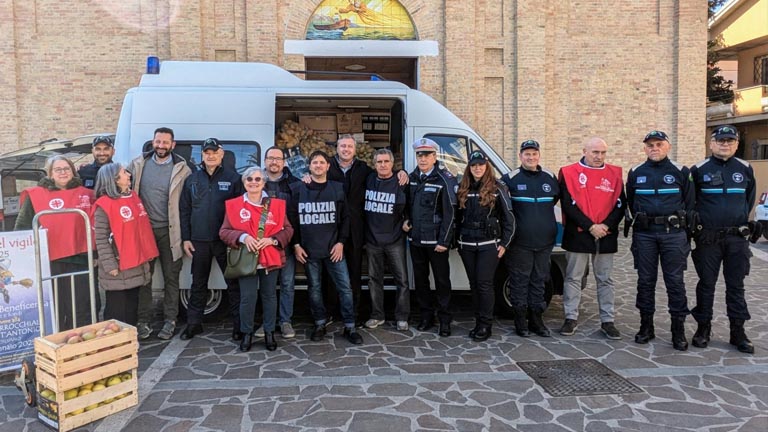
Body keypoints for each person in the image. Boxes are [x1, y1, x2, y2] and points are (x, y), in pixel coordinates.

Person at [322, 134, 409, 326]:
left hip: (357, 231)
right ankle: (330, 312)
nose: (346, 149)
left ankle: (353, 313)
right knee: (329, 273)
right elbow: (314, 176)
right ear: (337, 148)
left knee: (355, 272)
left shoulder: (364, 170)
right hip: (331, 229)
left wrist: (402, 172)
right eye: (342, 146)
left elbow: (395, 184)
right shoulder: (327, 166)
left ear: (355, 149)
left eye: (349, 147)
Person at [690, 125, 760, 354]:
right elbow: (691, 203)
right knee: (706, 285)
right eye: (721, 140)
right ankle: (703, 329)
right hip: (708, 238)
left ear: (737, 144)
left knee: (736, 286)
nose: (725, 144)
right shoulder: (698, 169)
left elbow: (748, 201)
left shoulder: (745, 168)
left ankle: (737, 332)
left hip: (736, 239)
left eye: (730, 140)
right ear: (711, 143)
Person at [625, 130, 694, 351]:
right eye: (650, 145)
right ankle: (646, 327)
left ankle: (678, 331)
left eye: (659, 144)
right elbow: (631, 200)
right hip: (645, 234)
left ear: (668, 146)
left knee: (675, 282)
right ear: (645, 148)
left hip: (673, 234)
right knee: (645, 281)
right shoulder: (636, 172)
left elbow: (690, 203)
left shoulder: (681, 171)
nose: (654, 148)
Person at [288, 150, 363, 345]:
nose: (319, 165)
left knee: (345, 288)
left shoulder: (337, 188)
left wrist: (341, 243)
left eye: (322, 162)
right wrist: (296, 244)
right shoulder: (298, 189)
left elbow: (346, 218)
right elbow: (292, 220)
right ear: (309, 166)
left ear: (328, 166)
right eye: (315, 163)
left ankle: (350, 326)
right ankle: (320, 323)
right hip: (309, 250)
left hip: (333, 249)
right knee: (315, 288)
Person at [15, 155, 96, 331]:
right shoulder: (35, 196)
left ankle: (82, 345)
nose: (63, 172)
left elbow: (96, 226)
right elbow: (22, 227)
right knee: (56, 306)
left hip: (80, 260)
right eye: (58, 169)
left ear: (73, 172)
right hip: (50, 262)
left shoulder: (86, 194)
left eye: (67, 169)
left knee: (81, 306)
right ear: (50, 174)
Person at [219, 166, 293, 352]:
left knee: (269, 297)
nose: (253, 182)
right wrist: (244, 238)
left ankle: (269, 333)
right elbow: (224, 231)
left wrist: (272, 240)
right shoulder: (234, 205)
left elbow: (288, 229)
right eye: (249, 179)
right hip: (246, 259)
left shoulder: (276, 205)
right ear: (244, 183)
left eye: (258, 179)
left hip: (270, 257)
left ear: (264, 183)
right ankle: (247, 333)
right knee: (248, 298)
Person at [557, 137, 625, 339]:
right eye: (595, 152)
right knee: (573, 278)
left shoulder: (615, 173)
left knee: (605, 279)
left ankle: (608, 320)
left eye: (603, 152)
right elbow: (568, 205)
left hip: (606, 233)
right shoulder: (568, 173)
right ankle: (570, 318)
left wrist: (605, 226)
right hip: (578, 233)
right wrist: (590, 226)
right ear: (585, 151)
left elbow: (621, 204)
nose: (599, 156)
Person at [130, 127, 192, 340]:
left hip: (171, 232)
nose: (161, 146)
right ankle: (143, 322)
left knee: (171, 278)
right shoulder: (138, 165)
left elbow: (187, 203)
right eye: (158, 141)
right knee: (144, 278)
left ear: (172, 145)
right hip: (144, 231)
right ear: (152, 142)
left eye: (166, 142)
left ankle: (170, 321)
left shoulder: (182, 169)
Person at [178, 138, 244, 341]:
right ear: (202, 155)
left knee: (233, 284)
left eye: (214, 152)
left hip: (225, 240)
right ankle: (194, 324)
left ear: (221, 154)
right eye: (207, 152)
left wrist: (237, 238)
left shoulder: (234, 179)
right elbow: (185, 210)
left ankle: (239, 326)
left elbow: (241, 211)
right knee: (198, 284)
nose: (210, 155)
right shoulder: (192, 179)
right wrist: (186, 238)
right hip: (199, 240)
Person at [500, 140, 559, 338]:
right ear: (520, 156)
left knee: (539, 281)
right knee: (519, 281)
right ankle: (520, 321)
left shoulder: (550, 178)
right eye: (527, 154)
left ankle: (536, 320)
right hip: (520, 243)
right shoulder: (510, 179)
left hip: (544, 243)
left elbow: (555, 200)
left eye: (534, 154)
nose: (531, 157)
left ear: (539, 155)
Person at [455, 150, 515, 342]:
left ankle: (485, 325)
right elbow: (456, 217)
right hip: (467, 244)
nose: (478, 168)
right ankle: (478, 322)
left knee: (484, 284)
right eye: (474, 165)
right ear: (469, 167)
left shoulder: (498, 188)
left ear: (486, 165)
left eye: (481, 164)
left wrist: (505, 243)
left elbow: (509, 219)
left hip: (489, 245)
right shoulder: (462, 187)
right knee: (474, 285)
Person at [404, 138, 458, 337]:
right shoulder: (411, 178)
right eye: (420, 155)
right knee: (421, 281)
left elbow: (450, 213)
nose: (423, 158)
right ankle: (426, 317)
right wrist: (406, 219)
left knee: (442, 282)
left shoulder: (444, 178)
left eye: (427, 154)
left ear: (435, 157)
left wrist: (444, 241)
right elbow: (406, 205)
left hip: (436, 243)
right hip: (417, 240)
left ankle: (445, 320)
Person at [92, 163, 158, 325]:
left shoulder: (133, 197)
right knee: (117, 312)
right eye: (123, 172)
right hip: (118, 267)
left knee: (131, 309)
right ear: (114, 179)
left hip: (135, 265)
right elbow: (100, 238)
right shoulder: (105, 205)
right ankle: (115, 347)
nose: (128, 174)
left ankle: (129, 343)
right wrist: (110, 265)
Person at [362, 149, 410, 331]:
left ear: (392, 164)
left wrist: (408, 220)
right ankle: (377, 315)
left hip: (395, 239)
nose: (382, 165)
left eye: (386, 162)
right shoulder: (368, 179)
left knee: (402, 280)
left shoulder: (401, 181)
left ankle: (402, 317)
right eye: (379, 162)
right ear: (374, 165)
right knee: (375, 280)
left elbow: (410, 205)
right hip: (372, 240)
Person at [258, 146, 301, 339]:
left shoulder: (295, 184)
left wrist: (297, 242)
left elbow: (299, 216)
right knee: (266, 286)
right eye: (270, 158)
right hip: (263, 244)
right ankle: (267, 322)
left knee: (287, 283)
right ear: (265, 161)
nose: (274, 162)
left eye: (278, 159)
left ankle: (285, 321)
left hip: (286, 242)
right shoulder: (255, 182)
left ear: (284, 162)